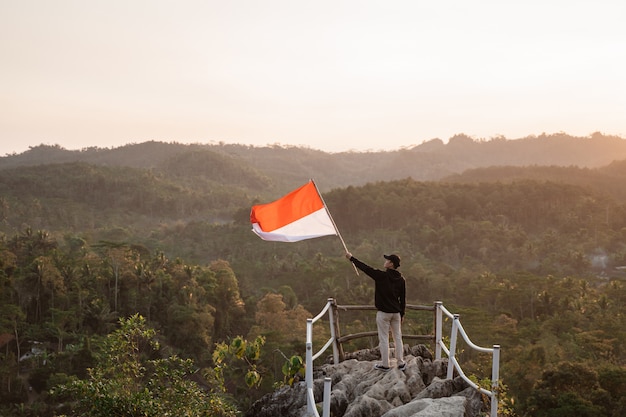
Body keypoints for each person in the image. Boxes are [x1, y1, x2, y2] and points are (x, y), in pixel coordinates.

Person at [346, 251, 406, 372]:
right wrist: (402, 313)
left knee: (384, 338)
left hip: (384, 313)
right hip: (396, 313)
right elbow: (403, 298)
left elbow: (366, 268)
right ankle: (401, 363)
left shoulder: (381, 276)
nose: (385, 261)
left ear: (391, 264)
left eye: (387, 260)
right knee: (398, 338)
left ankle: (385, 364)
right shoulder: (401, 279)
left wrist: (351, 258)